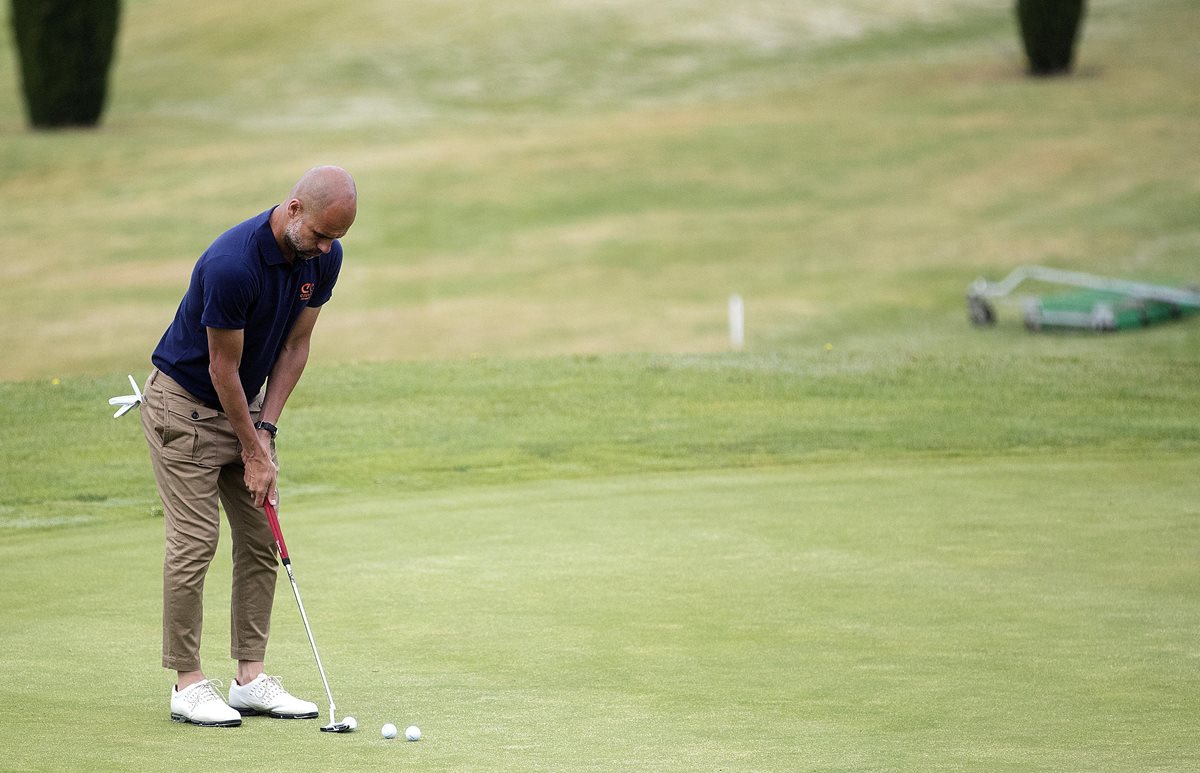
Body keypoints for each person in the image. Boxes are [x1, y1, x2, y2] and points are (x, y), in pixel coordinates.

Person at [139, 166, 357, 727]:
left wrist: (267, 431)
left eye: (335, 240)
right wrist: (253, 450)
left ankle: (250, 679)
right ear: (292, 209)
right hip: (183, 409)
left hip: (245, 408)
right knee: (195, 541)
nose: (325, 248)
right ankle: (188, 685)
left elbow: (296, 345)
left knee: (261, 536)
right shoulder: (232, 265)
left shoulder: (322, 257)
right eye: (318, 235)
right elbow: (222, 367)